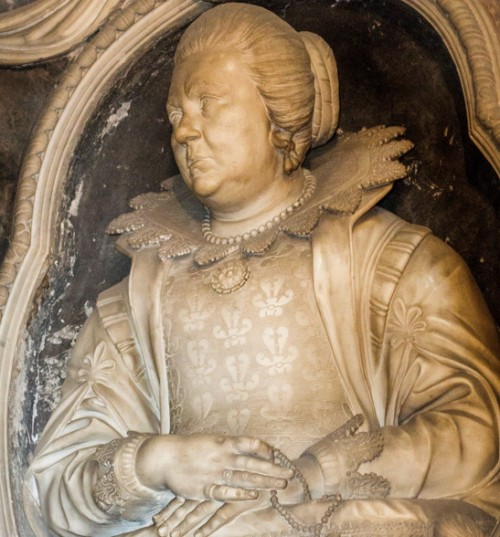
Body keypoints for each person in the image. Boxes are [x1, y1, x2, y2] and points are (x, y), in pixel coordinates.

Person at [25, 3, 500, 537]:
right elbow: (53, 492)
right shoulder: (135, 302)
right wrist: (155, 463)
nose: (186, 132)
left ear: (280, 116)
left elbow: (476, 434)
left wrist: (311, 481)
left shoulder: (392, 265)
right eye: (177, 115)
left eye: (210, 105)